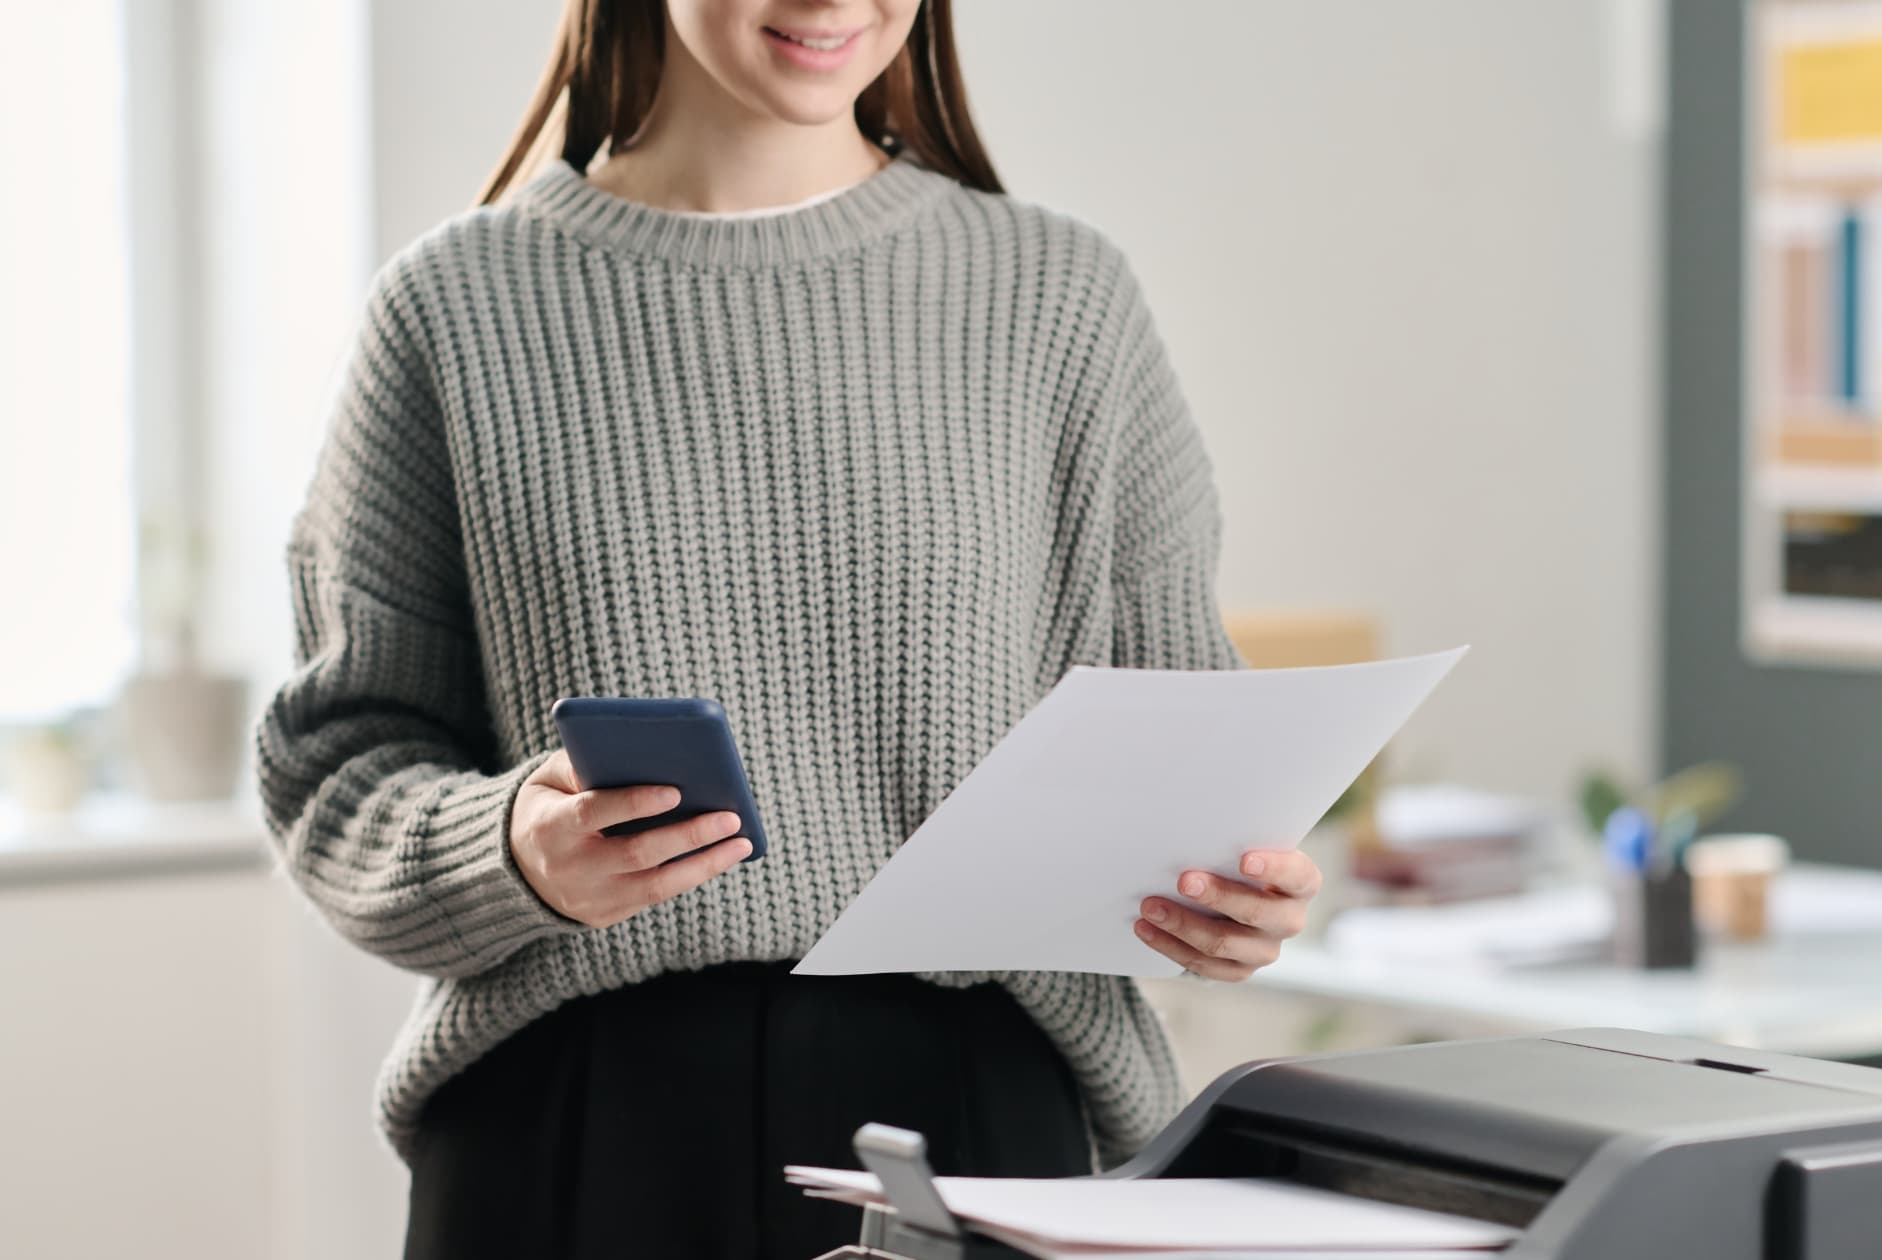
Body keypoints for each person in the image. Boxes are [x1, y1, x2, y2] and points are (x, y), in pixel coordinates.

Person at [255, 1, 1324, 1256]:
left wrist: (1224, 898)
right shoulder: (454, 306)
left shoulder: (1058, 299)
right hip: (578, 1114)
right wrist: (514, 851)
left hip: (976, 1120)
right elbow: (337, 766)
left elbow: (1178, 739)